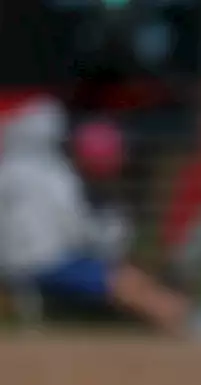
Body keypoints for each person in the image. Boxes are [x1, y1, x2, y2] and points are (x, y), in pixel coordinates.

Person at [0, 96, 191, 334]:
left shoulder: (6, 171)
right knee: (123, 279)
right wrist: (108, 233)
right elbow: (75, 229)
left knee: (125, 276)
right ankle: (182, 320)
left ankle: (179, 315)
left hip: (13, 262)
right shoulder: (55, 176)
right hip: (46, 264)